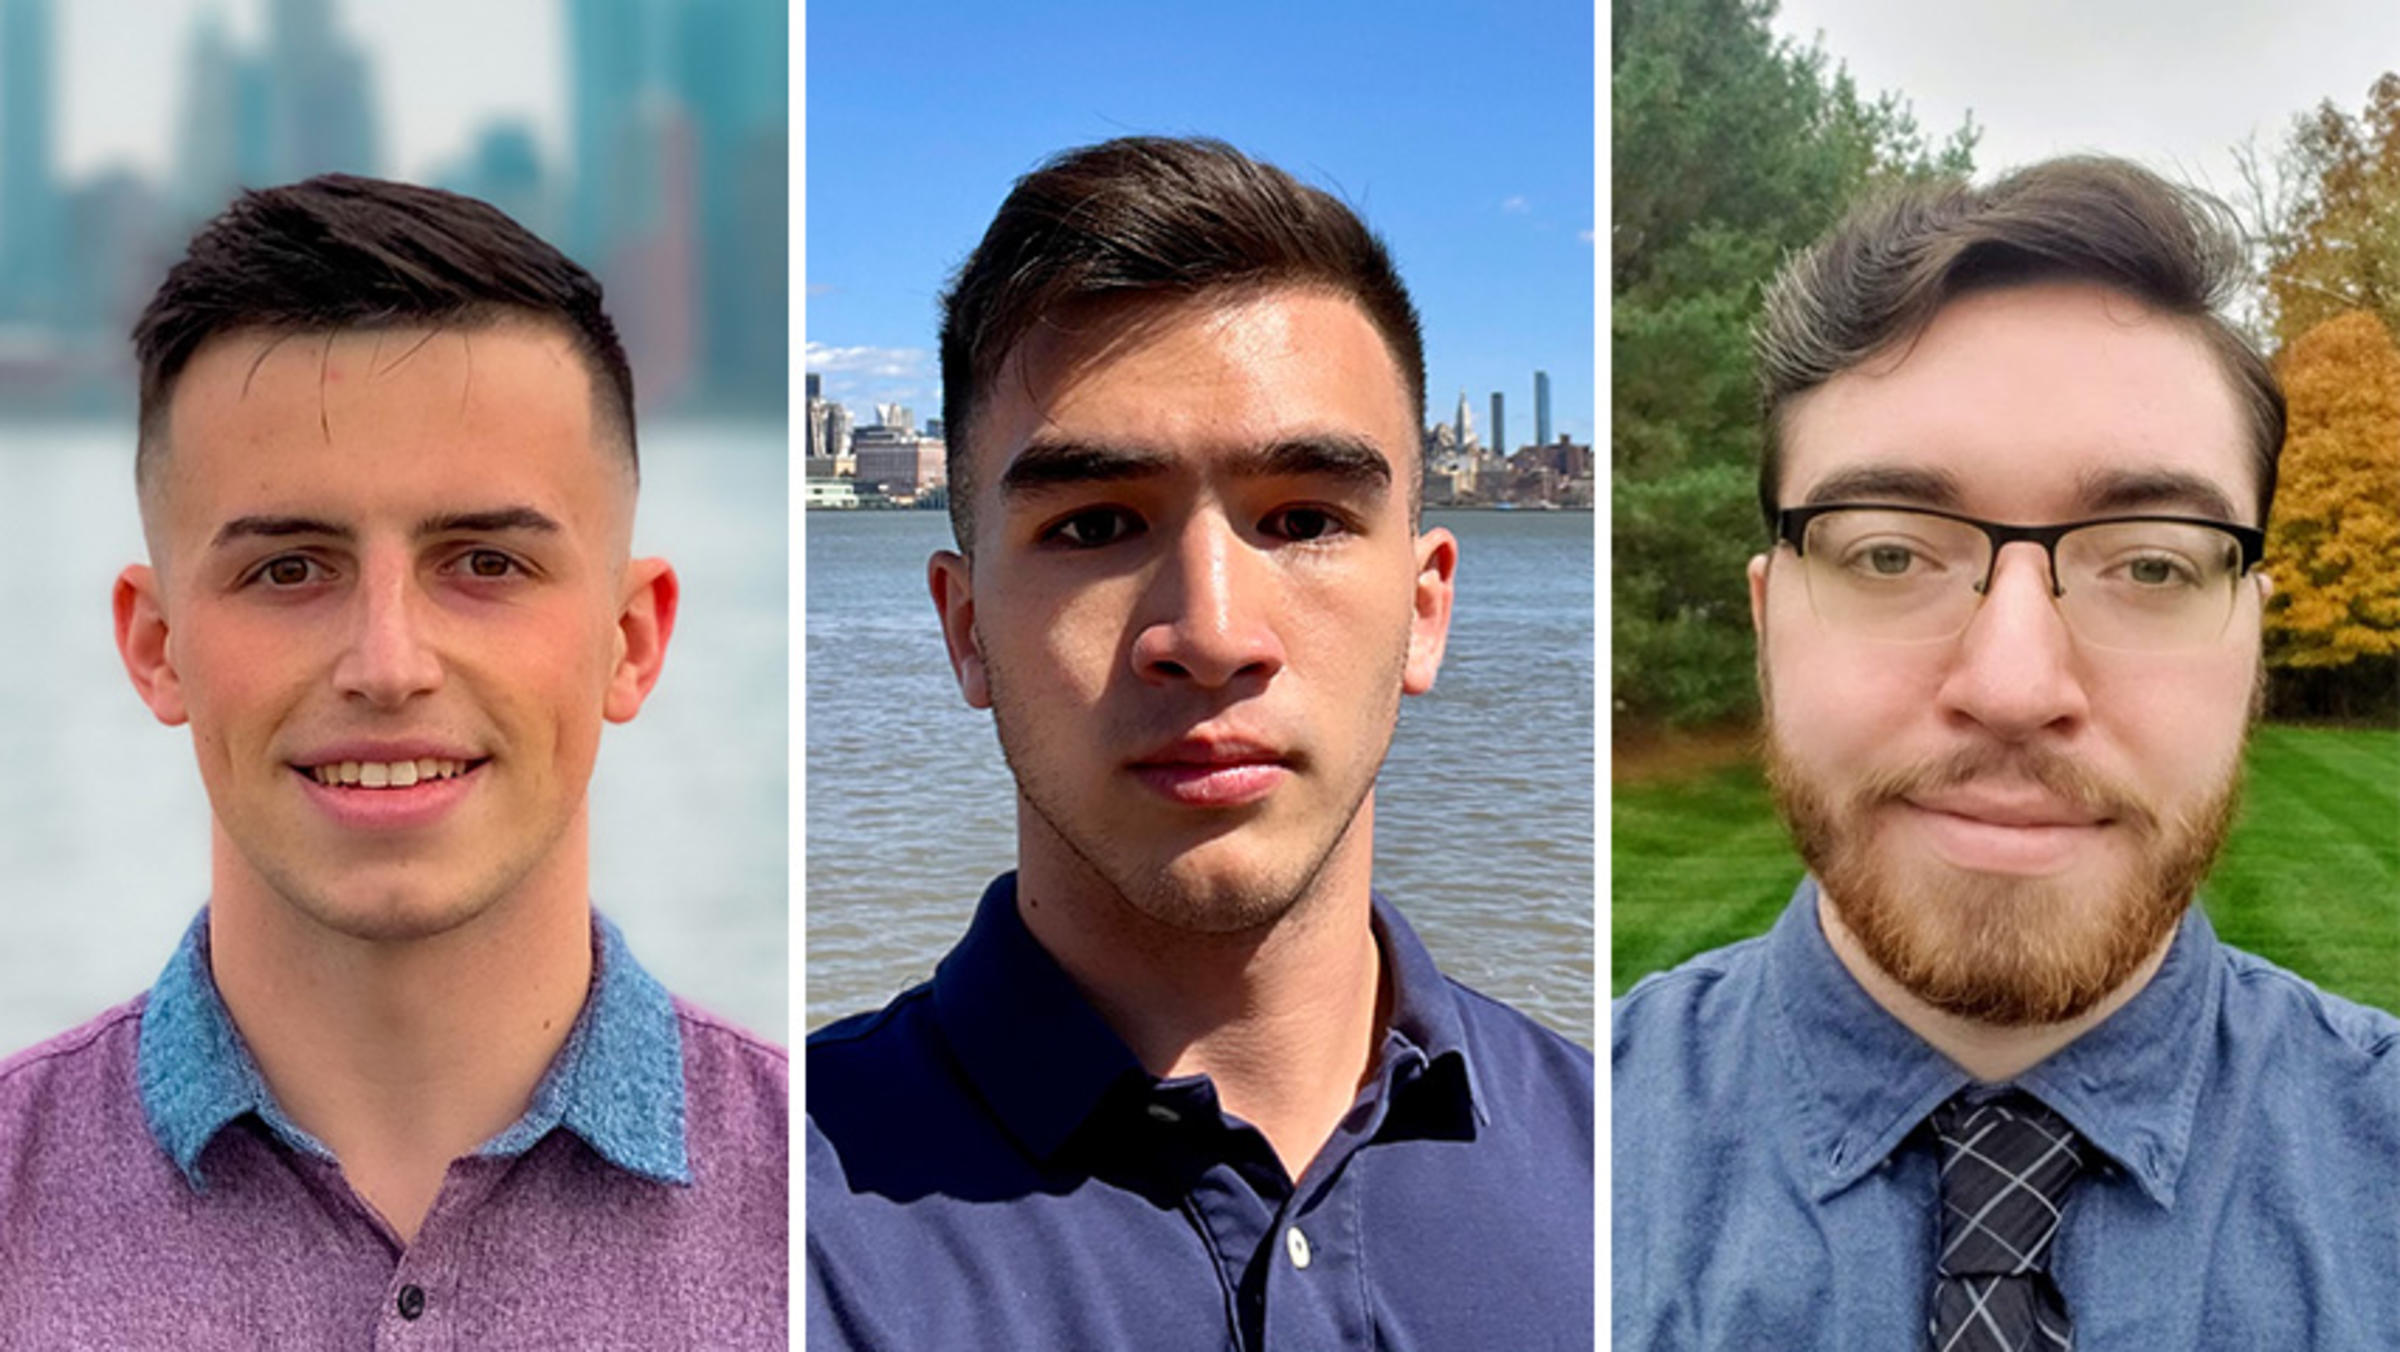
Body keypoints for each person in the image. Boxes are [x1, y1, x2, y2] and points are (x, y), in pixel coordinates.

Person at [805, 136, 1595, 1350]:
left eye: (1303, 519)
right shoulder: (784, 1228)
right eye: (1096, 525)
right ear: (966, 629)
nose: (1212, 635)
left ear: (1425, 608)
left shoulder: (1619, 1167)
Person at [1613, 157, 2400, 1349]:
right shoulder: (1580, 1154)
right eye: (1890, 554)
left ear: (2254, 639)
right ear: (1768, 622)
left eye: (2150, 564)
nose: (2015, 687)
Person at [0, 176, 786, 1346]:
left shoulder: (810, 1203)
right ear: (156, 647)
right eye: (288, 569)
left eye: (485, 562)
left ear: (631, 639)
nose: (388, 664)